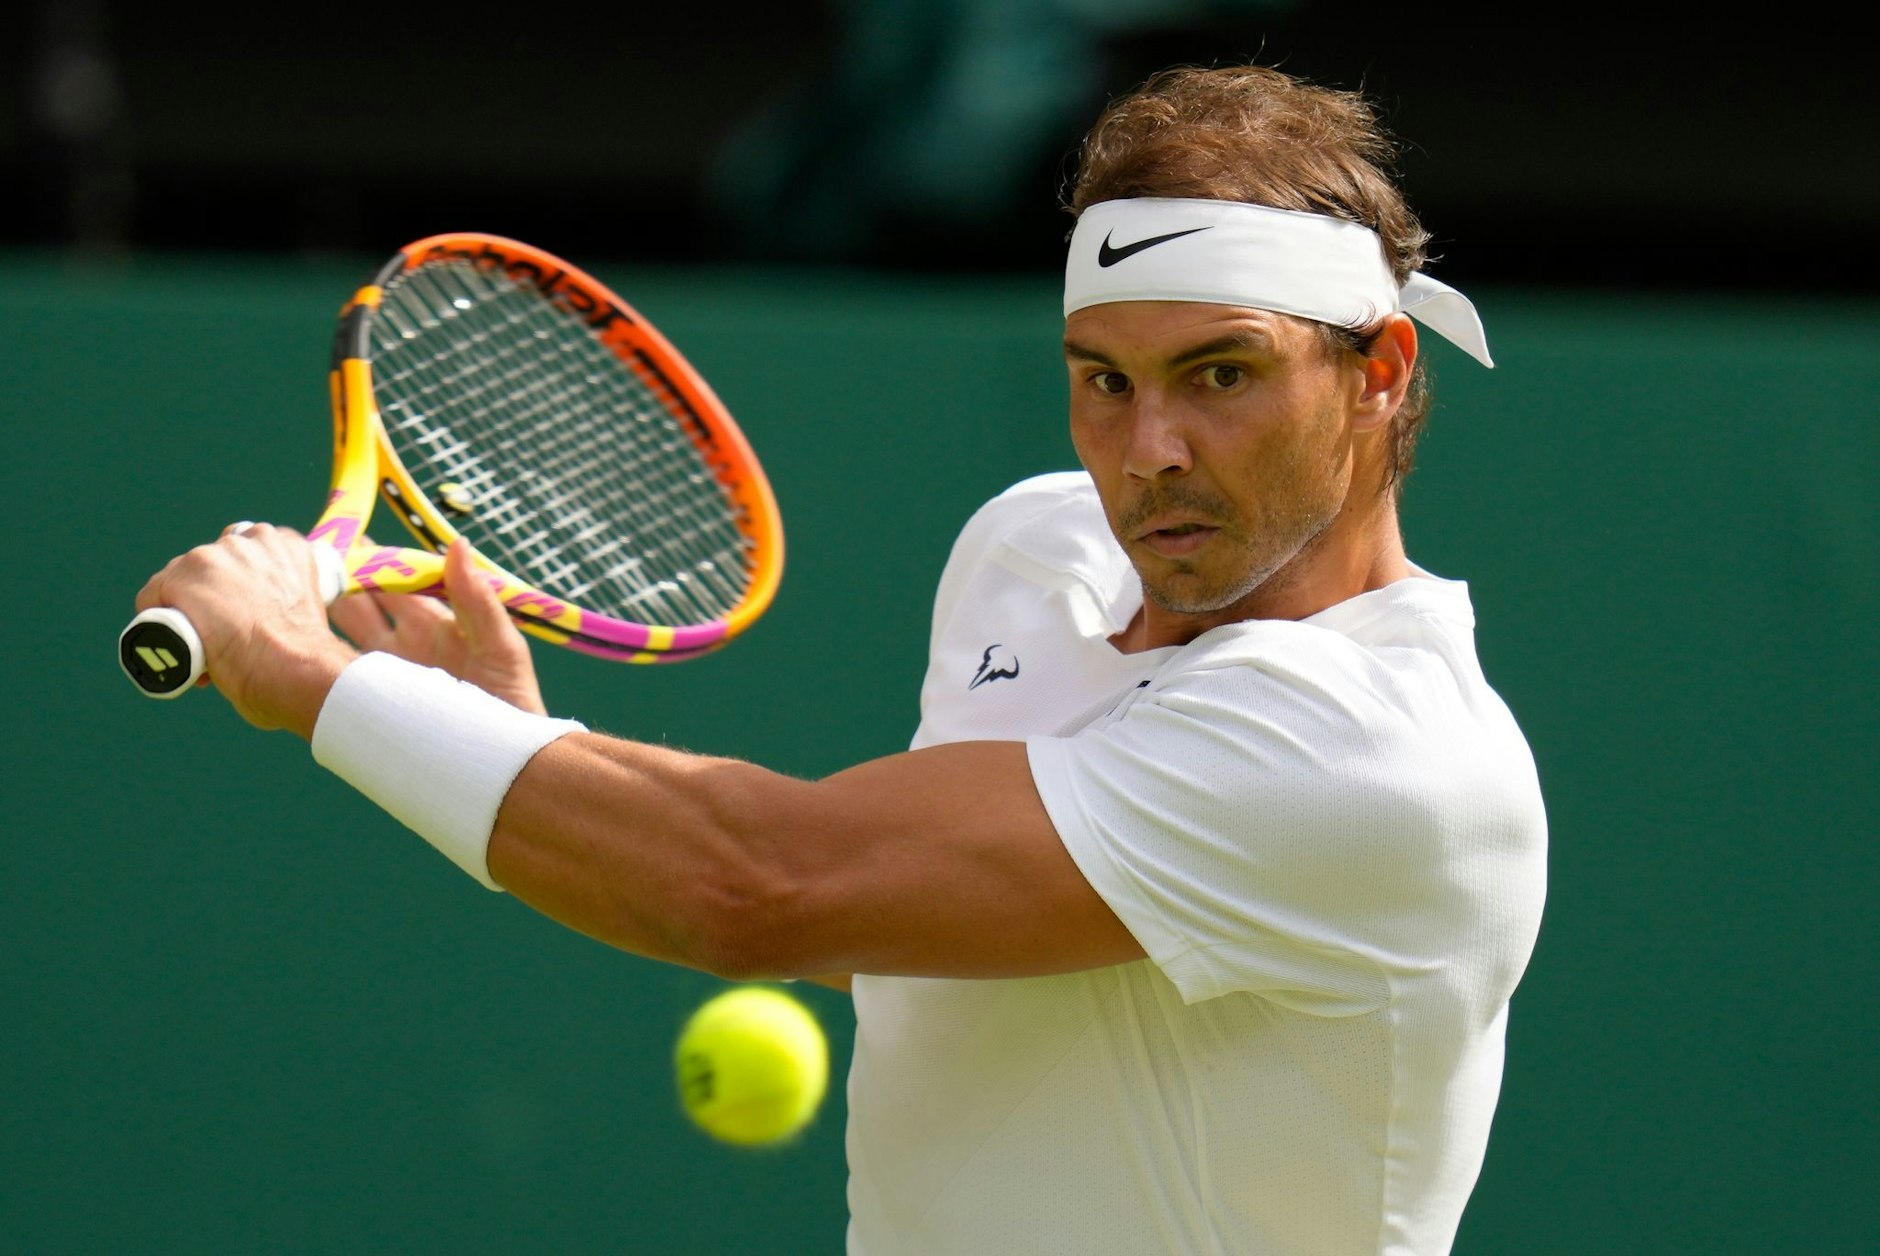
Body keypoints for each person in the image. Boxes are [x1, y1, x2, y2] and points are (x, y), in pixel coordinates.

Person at [135, 65, 1547, 1256]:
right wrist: (500, 736)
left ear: (1377, 373)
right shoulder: (1032, 553)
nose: (1148, 449)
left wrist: (307, 675)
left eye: (1220, 373)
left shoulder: (1379, 756)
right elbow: (935, 934)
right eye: (1103, 380)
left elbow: (765, 888)